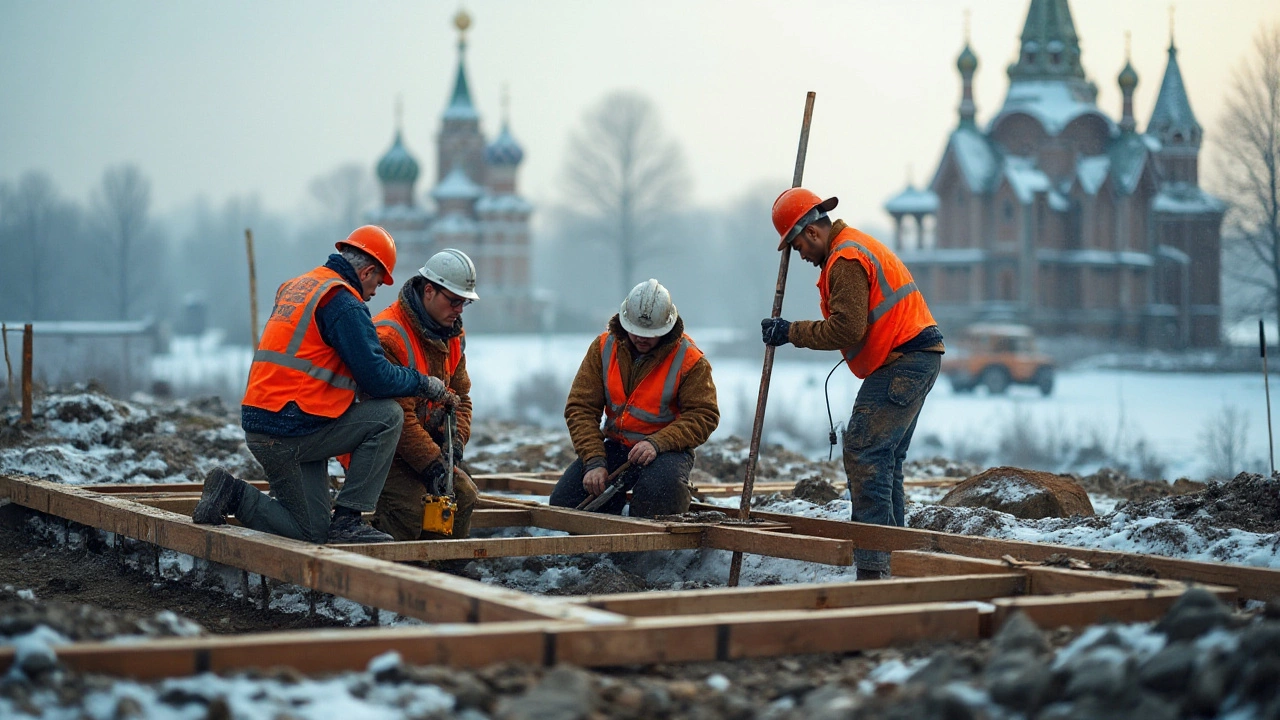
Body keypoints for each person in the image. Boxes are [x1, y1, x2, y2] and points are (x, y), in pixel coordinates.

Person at [192, 225, 456, 544]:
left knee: (311, 531)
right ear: (368, 271)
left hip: (267, 424)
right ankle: (349, 519)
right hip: (293, 427)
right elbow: (378, 378)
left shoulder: (299, 286)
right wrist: (424, 383)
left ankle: (230, 493)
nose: (374, 292)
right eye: (377, 282)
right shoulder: (343, 302)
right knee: (388, 416)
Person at [760, 188, 944, 580]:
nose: (802, 257)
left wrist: (790, 331)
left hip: (905, 360)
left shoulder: (844, 258)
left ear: (810, 233)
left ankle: (874, 568)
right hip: (915, 357)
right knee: (884, 457)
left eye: (796, 247)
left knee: (865, 451)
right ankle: (893, 557)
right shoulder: (854, 245)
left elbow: (846, 327)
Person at [549, 279, 719, 518]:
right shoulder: (602, 348)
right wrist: (594, 461)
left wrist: (657, 443)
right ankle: (612, 515)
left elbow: (704, 415)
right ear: (624, 321)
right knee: (565, 503)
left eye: (651, 334)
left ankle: (656, 514)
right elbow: (581, 408)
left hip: (666, 452)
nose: (642, 338)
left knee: (659, 497)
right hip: (617, 448)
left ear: (668, 327)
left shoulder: (690, 360)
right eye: (637, 331)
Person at [367, 249, 478, 541]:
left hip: (424, 446)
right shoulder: (389, 335)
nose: (459, 309)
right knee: (414, 513)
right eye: (454, 301)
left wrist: (455, 446)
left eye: (464, 302)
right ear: (429, 290)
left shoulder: (452, 334)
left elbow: (462, 397)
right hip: (381, 451)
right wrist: (433, 466)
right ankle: (399, 569)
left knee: (463, 496)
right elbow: (397, 416)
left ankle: (449, 571)